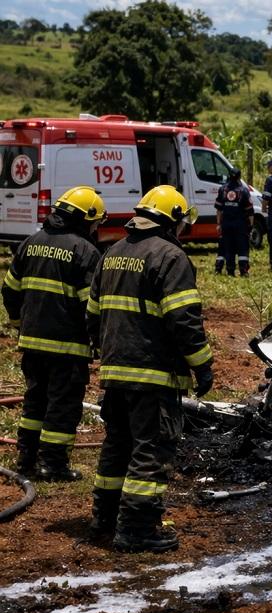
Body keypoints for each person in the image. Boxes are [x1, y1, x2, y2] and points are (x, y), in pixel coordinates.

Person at [87, 185, 213, 553]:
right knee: (151, 450)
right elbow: (184, 320)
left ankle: (105, 517)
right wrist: (202, 365)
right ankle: (137, 528)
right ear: (172, 220)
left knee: (118, 444)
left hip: (115, 370)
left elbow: (92, 314)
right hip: (153, 373)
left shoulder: (112, 253)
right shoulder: (170, 257)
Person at [1, 187, 104, 481]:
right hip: (68, 347)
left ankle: (26, 459)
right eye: (95, 223)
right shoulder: (85, 252)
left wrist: (19, 323)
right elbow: (91, 306)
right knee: (63, 405)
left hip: (32, 343)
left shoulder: (30, 243)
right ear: (85, 219)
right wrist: (97, 339)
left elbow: (9, 290)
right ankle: (53, 464)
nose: (95, 229)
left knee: (35, 401)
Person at [214, 168, 253, 277]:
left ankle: (230, 270)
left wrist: (218, 224)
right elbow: (250, 211)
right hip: (240, 224)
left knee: (228, 247)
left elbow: (219, 209)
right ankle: (243, 270)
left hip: (226, 224)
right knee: (242, 247)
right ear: (239, 177)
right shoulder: (244, 191)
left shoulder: (223, 189)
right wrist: (251, 225)